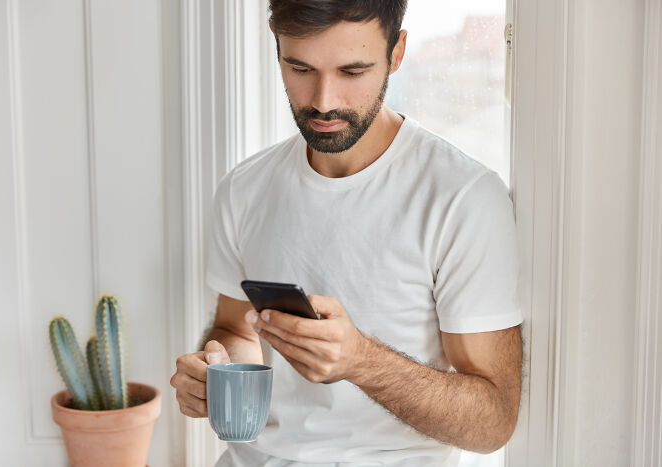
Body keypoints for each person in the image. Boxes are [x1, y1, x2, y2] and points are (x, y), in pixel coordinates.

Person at [170, 1, 523, 465]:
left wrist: (362, 361)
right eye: (300, 67)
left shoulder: (463, 197)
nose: (323, 100)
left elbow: (491, 422)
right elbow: (236, 327)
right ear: (275, 40)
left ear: (396, 52)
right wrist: (217, 370)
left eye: (352, 71)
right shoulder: (244, 188)